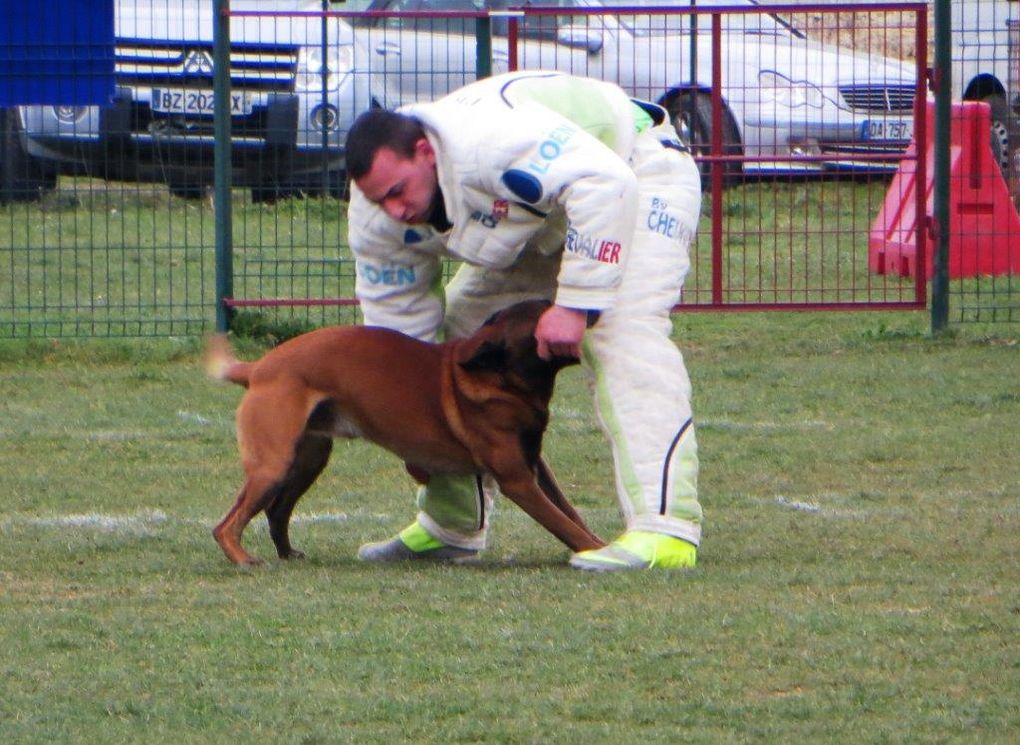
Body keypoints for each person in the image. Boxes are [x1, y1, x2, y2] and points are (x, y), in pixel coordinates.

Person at [344, 71, 703, 571]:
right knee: (459, 343)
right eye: (380, 198)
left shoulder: (488, 142)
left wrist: (576, 305)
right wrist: (407, 420)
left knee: (621, 330)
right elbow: (398, 330)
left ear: (426, 152)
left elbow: (604, 184)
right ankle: (451, 525)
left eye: (399, 191)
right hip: (545, 217)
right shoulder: (376, 214)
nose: (395, 210)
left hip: (635, 171)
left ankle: (665, 531)